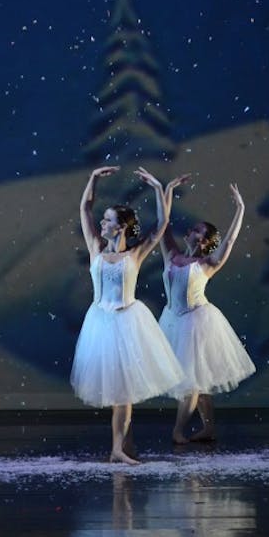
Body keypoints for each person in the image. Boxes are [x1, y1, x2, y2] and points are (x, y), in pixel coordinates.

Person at [71, 166, 184, 465]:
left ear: (120, 227)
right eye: (103, 218)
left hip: (127, 322)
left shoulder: (135, 254)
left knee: (123, 394)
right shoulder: (95, 248)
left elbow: (162, 223)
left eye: (107, 220)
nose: (102, 223)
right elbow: (84, 207)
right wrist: (92, 177)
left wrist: (159, 189)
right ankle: (121, 447)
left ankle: (119, 448)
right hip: (100, 325)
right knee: (119, 393)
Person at [160, 180, 254, 444]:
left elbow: (231, 240)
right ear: (189, 234)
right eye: (196, 231)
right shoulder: (171, 255)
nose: (197, 236)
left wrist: (241, 208)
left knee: (191, 382)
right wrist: (164, 192)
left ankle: (178, 431)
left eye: (203, 235)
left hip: (195, 322)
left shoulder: (207, 264)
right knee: (198, 382)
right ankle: (208, 428)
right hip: (172, 320)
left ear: (206, 243)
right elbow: (163, 224)